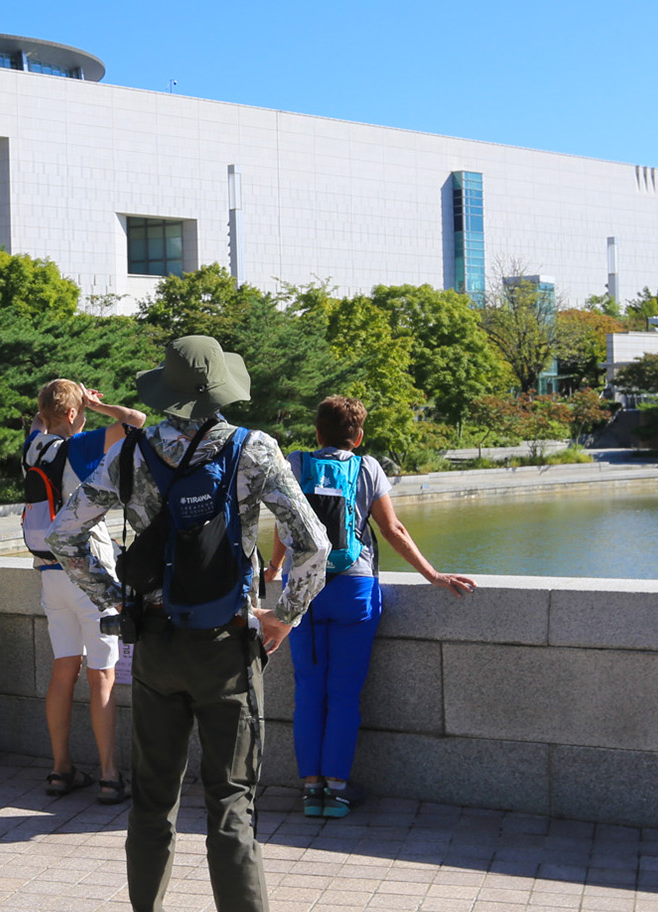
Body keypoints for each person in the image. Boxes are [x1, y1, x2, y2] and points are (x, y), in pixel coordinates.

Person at [47, 336, 330, 912]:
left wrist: (115, 599)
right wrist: (285, 617)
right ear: (222, 386)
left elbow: (65, 536)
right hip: (227, 643)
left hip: (154, 643)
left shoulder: (130, 453)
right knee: (231, 802)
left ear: (167, 389)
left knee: (151, 800)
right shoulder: (253, 450)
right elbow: (316, 545)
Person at [266, 396, 476, 818]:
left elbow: (285, 522)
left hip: (301, 589)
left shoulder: (296, 462)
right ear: (358, 437)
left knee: (309, 690)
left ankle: (310, 790)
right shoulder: (368, 468)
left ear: (318, 432)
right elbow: (392, 528)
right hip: (354, 588)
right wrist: (434, 575)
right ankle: (337, 791)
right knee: (343, 694)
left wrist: (274, 570)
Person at [21, 379, 145, 801]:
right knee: (102, 677)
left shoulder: (33, 445)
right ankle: (109, 775)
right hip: (86, 574)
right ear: (73, 414)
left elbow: (43, 417)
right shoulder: (81, 445)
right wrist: (102, 404)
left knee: (63, 671)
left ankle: (60, 770)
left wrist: (58, 400)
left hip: (49, 573)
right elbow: (137, 423)